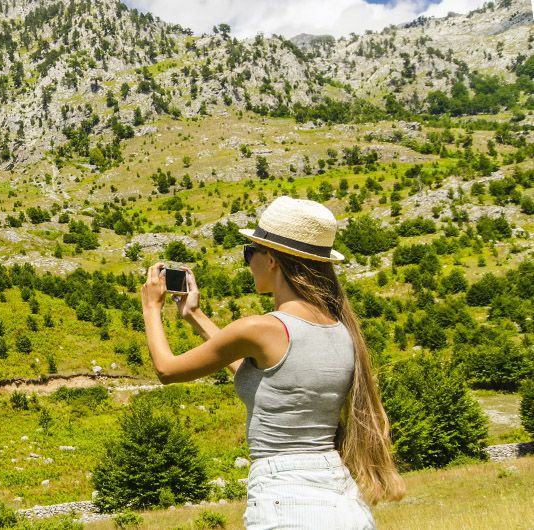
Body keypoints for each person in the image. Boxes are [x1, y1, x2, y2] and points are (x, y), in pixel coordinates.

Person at [139, 196, 404, 529]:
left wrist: (151, 307)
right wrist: (194, 315)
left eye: (250, 252)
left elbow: (167, 369)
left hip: (287, 500)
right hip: (342, 496)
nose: (248, 262)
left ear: (273, 260)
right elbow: (266, 380)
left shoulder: (261, 328)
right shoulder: (342, 331)